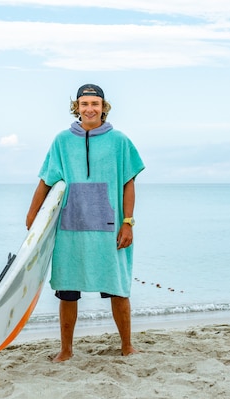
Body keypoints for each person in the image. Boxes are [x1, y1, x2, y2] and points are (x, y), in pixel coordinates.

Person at [25, 84, 145, 362]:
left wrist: (127, 223)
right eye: (84, 103)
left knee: (118, 288)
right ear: (76, 107)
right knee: (67, 292)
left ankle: (127, 346)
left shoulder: (120, 141)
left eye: (95, 103)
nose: (89, 108)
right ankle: (66, 350)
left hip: (109, 227)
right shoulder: (62, 141)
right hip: (71, 228)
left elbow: (128, 183)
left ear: (104, 107)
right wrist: (33, 216)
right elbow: (46, 180)